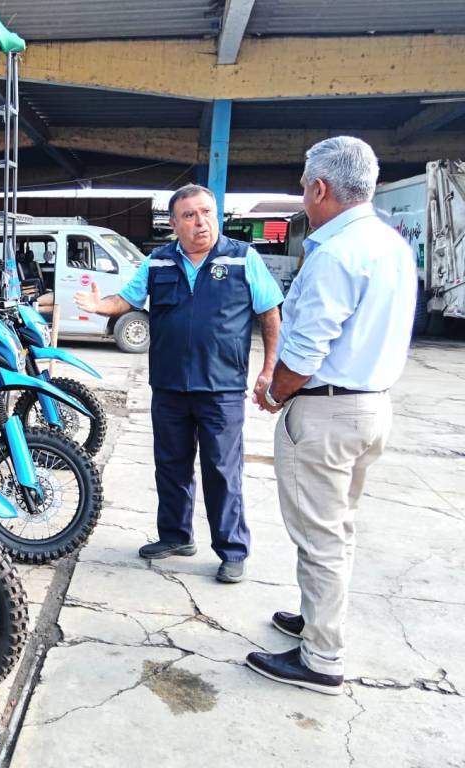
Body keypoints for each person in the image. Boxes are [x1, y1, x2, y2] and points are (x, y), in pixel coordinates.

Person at [245, 137, 416, 694]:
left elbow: (305, 353)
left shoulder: (337, 253)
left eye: (303, 188)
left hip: (327, 413)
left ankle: (321, 658)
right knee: (336, 527)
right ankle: (314, 619)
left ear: (320, 188)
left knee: (319, 537)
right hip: (370, 406)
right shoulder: (390, 244)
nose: (303, 197)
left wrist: (275, 393)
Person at [74, 184, 283, 583]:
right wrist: (100, 305)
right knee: (171, 465)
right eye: (189, 215)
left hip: (221, 388)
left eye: (206, 213)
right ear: (174, 224)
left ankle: (232, 550)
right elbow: (128, 299)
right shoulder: (158, 262)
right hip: (169, 386)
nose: (200, 222)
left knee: (222, 470)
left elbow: (269, 313)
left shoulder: (242, 259)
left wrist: (269, 369)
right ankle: (175, 536)